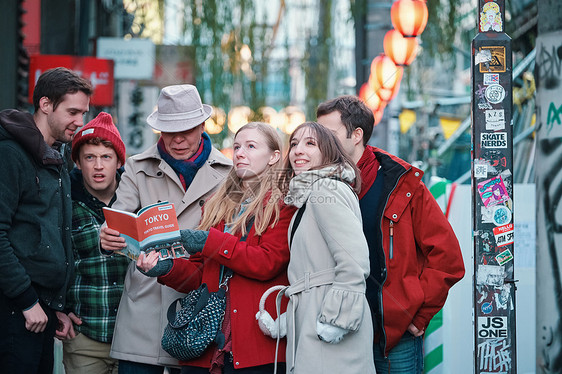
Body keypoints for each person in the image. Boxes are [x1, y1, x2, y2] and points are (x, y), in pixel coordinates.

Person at [316, 95, 465, 373]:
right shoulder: (316, 186)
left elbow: (448, 259)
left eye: (329, 134)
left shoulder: (402, 183)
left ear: (356, 135)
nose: (322, 143)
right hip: (335, 332)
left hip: (392, 338)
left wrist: (417, 317)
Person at [135, 122, 295, 374]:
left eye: (251, 146)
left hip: (254, 349)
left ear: (274, 156)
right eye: (237, 146)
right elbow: (200, 277)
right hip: (205, 348)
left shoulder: (284, 204)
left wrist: (208, 241)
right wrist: (164, 268)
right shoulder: (218, 204)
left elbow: (267, 263)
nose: (240, 153)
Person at [99, 84, 232, 374]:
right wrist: (107, 236)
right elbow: (119, 216)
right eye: (169, 131)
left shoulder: (228, 173)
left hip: (201, 308)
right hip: (146, 304)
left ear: (202, 126)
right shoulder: (137, 167)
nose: (178, 139)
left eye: (186, 129)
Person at [0, 67, 93, 374]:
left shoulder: (55, 156)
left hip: (41, 309)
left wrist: (57, 307)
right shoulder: (11, 154)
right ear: (45, 104)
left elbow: (55, 233)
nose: (80, 122)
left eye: (84, 113)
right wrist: (27, 302)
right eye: (73, 111)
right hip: (15, 308)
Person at [279, 122, 376, 374]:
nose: (298, 150)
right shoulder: (311, 194)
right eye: (294, 144)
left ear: (328, 152)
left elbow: (354, 260)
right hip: (318, 312)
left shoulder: (326, 188)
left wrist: (337, 320)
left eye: (310, 144)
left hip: (329, 318)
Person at [57, 112, 130, 373]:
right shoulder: (63, 202)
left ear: (119, 161)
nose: (98, 166)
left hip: (133, 339)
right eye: (90, 157)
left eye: (106, 157)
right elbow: (51, 258)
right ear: (77, 162)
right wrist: (58, 307)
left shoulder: (135, 201)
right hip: (84, 335)